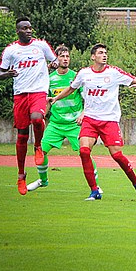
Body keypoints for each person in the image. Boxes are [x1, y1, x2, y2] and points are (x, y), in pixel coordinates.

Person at [48, 43, 136, 201]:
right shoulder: (84, 73)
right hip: (90, 119)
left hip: (109, 120)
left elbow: (135, 80)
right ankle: (94, 191)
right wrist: (55, 98)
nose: (104, 55)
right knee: (84, 151)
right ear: (93, 57)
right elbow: (71, 88)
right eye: (101, 53)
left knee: (117, 155)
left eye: (105, 53)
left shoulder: (113, 72)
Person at [0, 17, 57, 195]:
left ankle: (38, 146)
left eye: (30, 28)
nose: (29, 31)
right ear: (18, 31)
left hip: (38, 91)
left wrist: (54, 64)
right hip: (20, 94)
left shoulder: (41, 45)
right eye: (25, 28)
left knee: (37, 119)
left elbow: (54, 60)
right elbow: (0, 73)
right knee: (22, 136)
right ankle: (21, 175)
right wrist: (8, 73)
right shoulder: (11, 50)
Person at [27, 45, 97, 192]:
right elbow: (47, 101)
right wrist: (41, 117)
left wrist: (83, 113)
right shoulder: (49, 79)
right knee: (40, 151)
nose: (65, 59)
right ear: (56, 59)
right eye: (62, 56)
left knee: (85, 153)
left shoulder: (76, 77)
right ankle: (43, 181)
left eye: (67, 56)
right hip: (56, 124)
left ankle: (95, 187)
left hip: (74, 124)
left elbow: (89, 98)